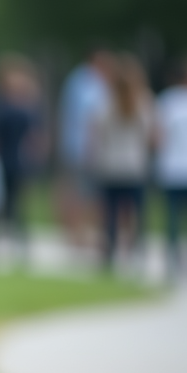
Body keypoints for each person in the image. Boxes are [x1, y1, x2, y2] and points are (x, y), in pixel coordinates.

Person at [88, 54, 155, 272]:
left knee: (111, 212)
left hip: (110, 164)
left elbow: (96, 134)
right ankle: (137, 250)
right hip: (134, 165)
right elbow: (151, 137)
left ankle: (110, 252)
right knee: (135, 211)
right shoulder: (144, 103)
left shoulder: (105, 103)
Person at [0, 54, 42, 259]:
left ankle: (17, 243)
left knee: (15, 203)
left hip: (18, 160)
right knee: (1, 201)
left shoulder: (26, 106)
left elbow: (35, 136)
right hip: (3, 159)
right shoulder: (1, 106)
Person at [154, 55, 187, 277]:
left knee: (173, 217)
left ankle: (174, 259)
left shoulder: (166, 102)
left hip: (172, 167)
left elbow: (157, 137)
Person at [57, 49, 112, 246]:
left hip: (80, 145)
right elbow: (90, 119)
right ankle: (77, 234)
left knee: (83, 192)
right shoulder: (88, 83)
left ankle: (82, 233)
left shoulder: (79, 80)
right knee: (81, 193)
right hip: (84, 146)